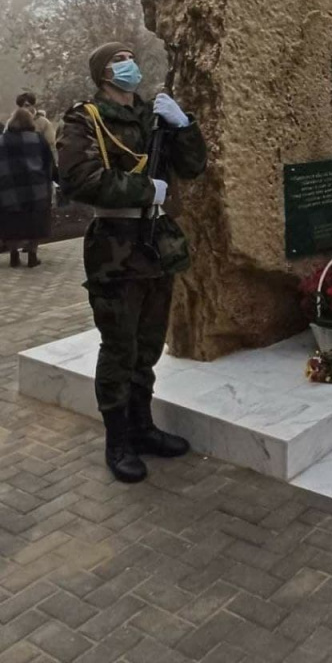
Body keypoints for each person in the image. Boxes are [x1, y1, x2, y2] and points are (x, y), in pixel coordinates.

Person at [57, 41, 207, 483]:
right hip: (115, 247)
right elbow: (78, 179)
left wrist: (184, 127)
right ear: (105, 73)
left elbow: (193, 166)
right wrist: (147, 191)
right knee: (120, 348)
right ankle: (117, 440)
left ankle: (143, 428)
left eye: (130, 59)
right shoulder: (85, 118)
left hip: (155, 243)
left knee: (148, 345)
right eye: (120, 61)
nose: (130, 66)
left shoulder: (152, 117)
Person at [0, 108, 54, 268]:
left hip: (8, 188)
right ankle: (32, 255)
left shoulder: (1, 140)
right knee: (35, 221)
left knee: (11, 221)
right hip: (35, 187)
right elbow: (48, 163)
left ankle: (13, 255)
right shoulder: (38, 139)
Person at [16, 92, 58, 162]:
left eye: (27, 105)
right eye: (21, 106)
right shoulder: (13, 123)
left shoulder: (44, 123)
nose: (23, 109)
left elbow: (52, 146)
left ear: (33, 105)